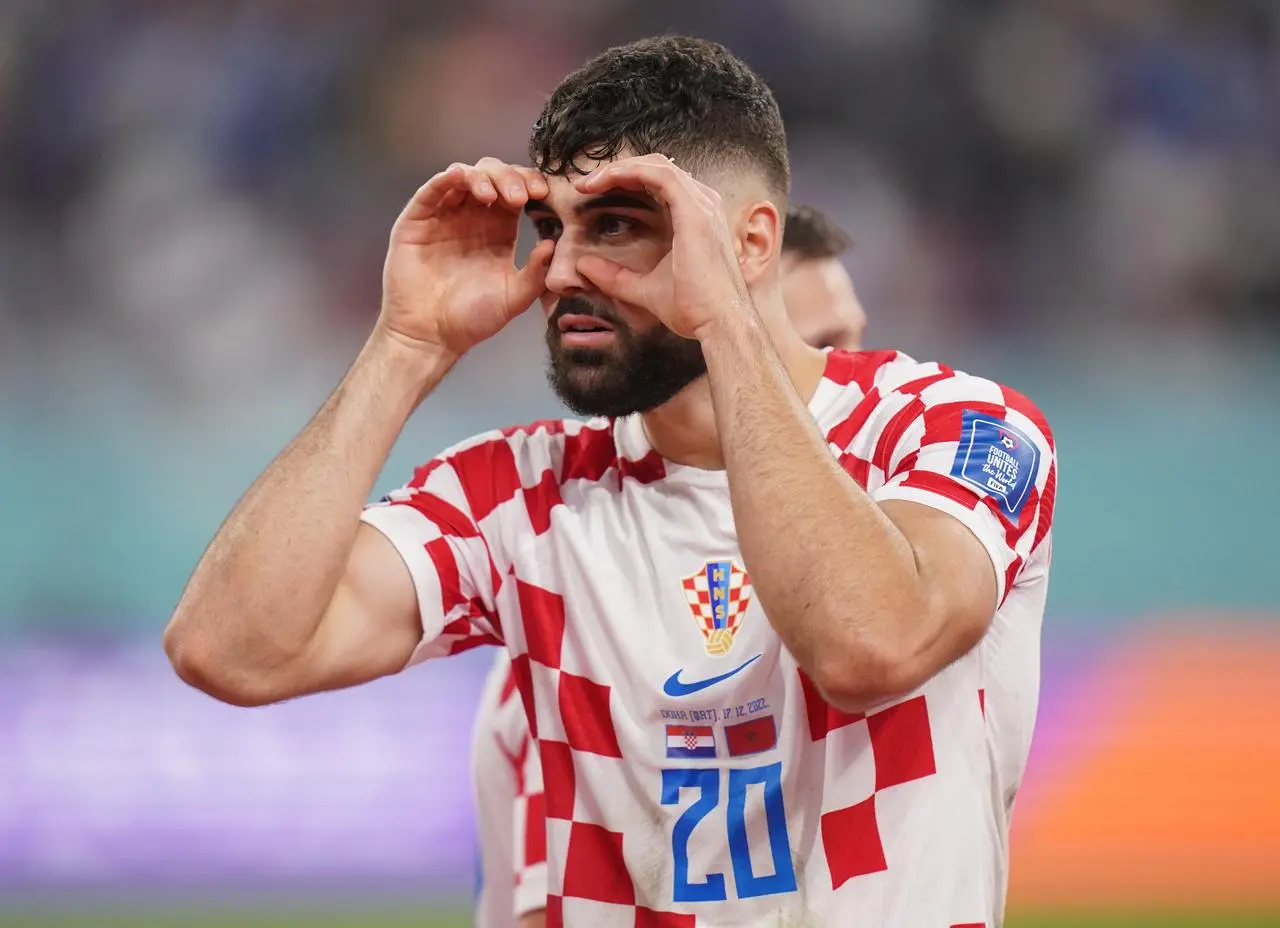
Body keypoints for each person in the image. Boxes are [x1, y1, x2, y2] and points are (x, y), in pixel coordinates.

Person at [164, 36, 1057, 926]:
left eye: (618, 226)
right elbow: (231, 650)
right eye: (550, 226)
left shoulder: (953, 430)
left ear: (748, 244)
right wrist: (407, 346)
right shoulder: (522, 493)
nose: (558, 272)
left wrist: (724, 321)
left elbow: (871, 645)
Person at [471, 204, 869, 928]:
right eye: (820, 348)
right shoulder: (579, 636)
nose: (848, 380)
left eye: (853, 347)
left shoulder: (862, 583)